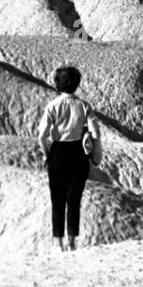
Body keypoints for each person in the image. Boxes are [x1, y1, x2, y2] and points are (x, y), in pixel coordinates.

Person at [37, 65, 99, 251]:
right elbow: (95, 133)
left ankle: (58, 242)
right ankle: (72, 241)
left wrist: (47, 154)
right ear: (77, 84)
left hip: (58, 153)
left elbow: (41, 136)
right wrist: (95, 154)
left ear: (58, 84)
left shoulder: (52, 106)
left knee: (57, 200)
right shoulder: (84, 106)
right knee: (74, 200)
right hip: (78, 154)